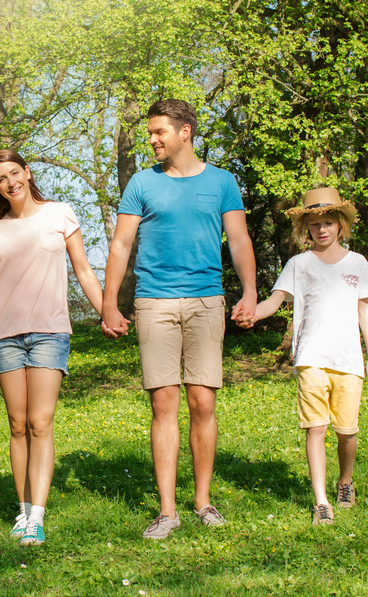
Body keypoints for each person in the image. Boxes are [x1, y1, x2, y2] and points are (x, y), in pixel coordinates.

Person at [101, 99, 257, 539]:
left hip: (207, 300)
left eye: (159, 132)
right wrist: (109, 304)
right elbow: (120, 245)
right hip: (154, 302)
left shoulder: (222, 182)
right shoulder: (141, 184)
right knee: (163, 402)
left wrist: (249, 293)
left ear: (185, 131)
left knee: (203, 402)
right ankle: (168, 510)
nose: (152, 140)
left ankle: (203, 501)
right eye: (150, 132)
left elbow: (240, 240)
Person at [0, 149, 103, 547]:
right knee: (17, 426)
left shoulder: (60, 214)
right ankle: (22, 510)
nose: (9, 182)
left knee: (41, 422)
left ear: (27, 172)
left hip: (50, 332)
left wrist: (107, 312)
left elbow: (83, 269)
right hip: (4, 336)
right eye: (0, 178)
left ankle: (37, 515)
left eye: (14, 173)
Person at [237, 187, 368, 525]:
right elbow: (275, 302)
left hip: (348, 359)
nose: (322, 229)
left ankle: (345, 481)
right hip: (311, 357)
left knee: (347, 431)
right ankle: (321, 502)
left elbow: (364, 311)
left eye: (329, 222)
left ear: (341, 225)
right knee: (316, 428)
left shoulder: (357, 263)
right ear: (306, 228)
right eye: (315, 224)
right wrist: (253, 313)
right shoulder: (298, 264)